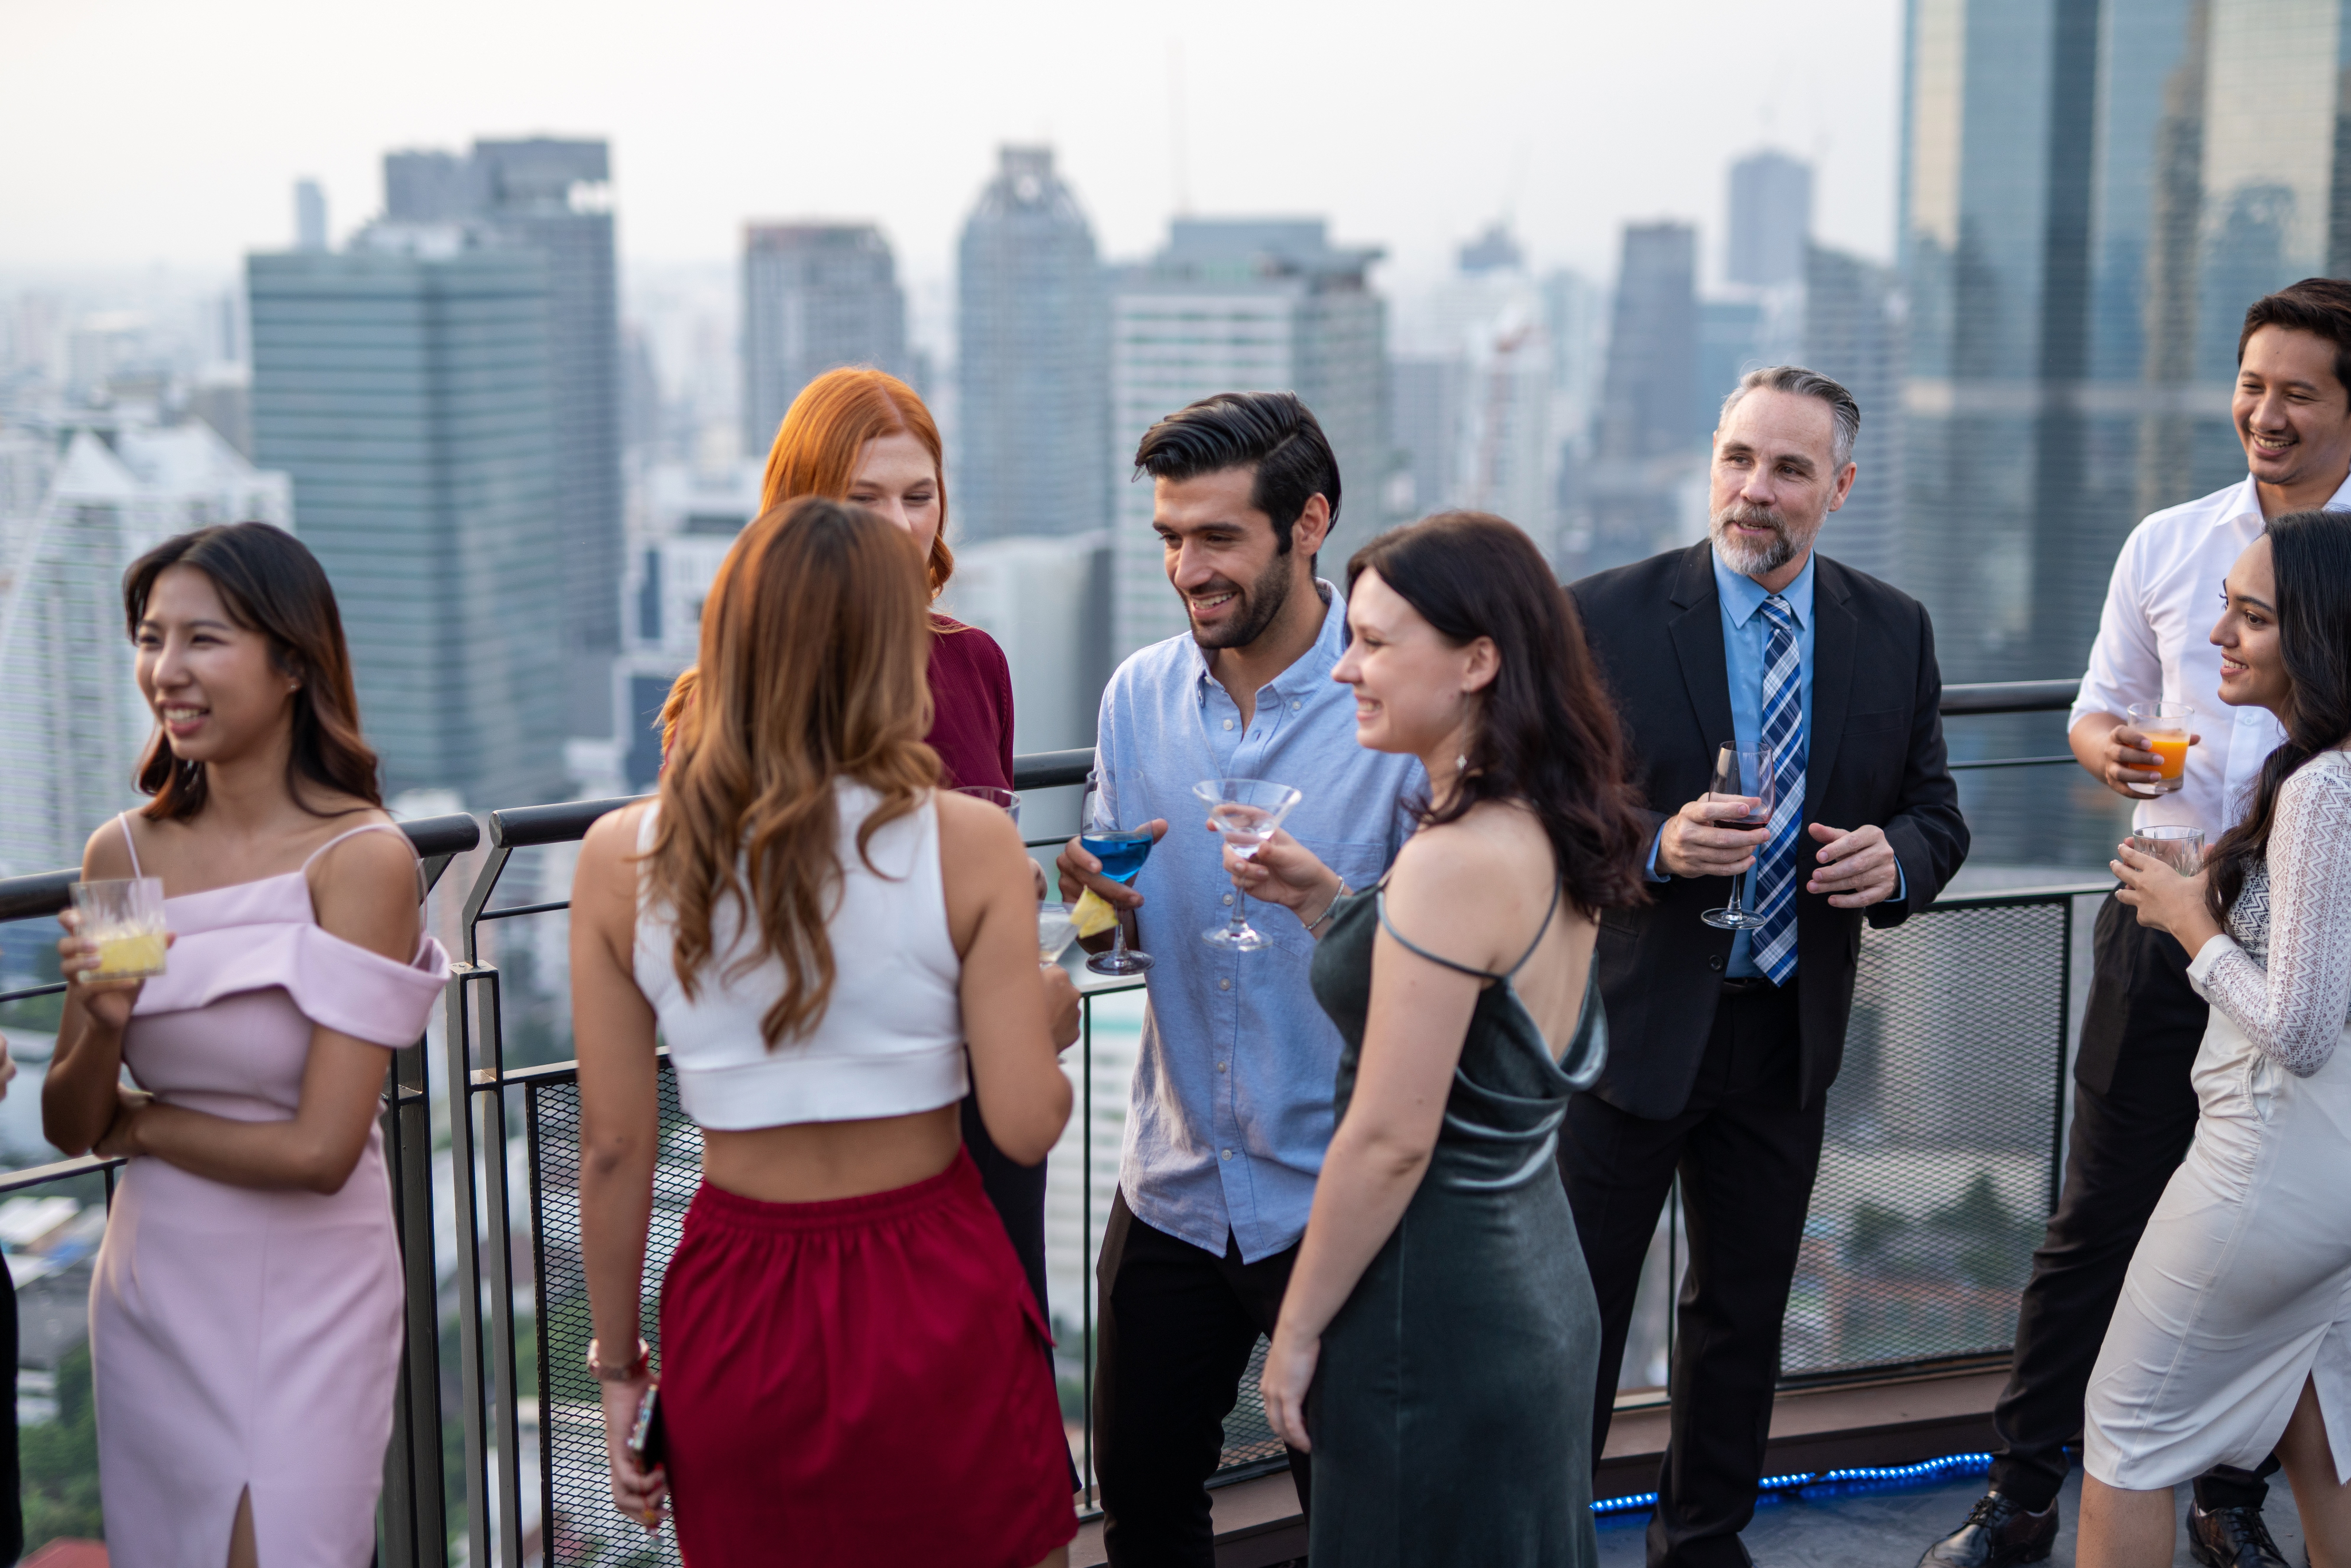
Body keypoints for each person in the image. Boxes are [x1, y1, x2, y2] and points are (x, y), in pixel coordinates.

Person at [1918, 278, 2351, 1568]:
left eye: (2296, 392)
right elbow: (2095, 706)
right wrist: (2102, 744)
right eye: (2248, 383)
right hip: (2160, 925)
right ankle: (2017, 1493)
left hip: (2295, 948)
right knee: (2098, 1211)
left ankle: (2221, 1502)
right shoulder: (2171, 541)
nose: (2261, 414)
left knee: (2278, 1266)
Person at [569, 496, 1078, 1562]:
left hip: (736, 1290)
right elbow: (1026, 1127)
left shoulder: (619, 857)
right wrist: (1047, 1011)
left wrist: (621, 1370)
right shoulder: (971, 842)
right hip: (933, 1280)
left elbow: (614, 1149)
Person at [1563, 366, 1970, 1567]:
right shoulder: (1603, 617)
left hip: (1787, 1024)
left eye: (1788, 469)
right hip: (1630, 1027)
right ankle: (1543, 1538)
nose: (1753, 489)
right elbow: (1539, 811)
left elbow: (1936, 815)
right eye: (1737, 458)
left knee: (1739, 1319)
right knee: (1574, 1318)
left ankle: (1702, 1544)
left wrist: (1889, 861)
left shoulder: (1891, 628)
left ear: (1837, 488)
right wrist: (1652, 844)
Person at [1231, 512, 1650, 1566]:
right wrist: (1332, 904)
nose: (1344, 674)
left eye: (1374, 644)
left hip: (1435, 1310)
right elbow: (1485, 1038)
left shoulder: (1455, 857)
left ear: (1478, 660)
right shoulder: (1546, 819)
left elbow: (1391, 1138)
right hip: (1537, 1288)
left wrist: (1294, 1333)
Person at [1054, 391, 1421, 1566]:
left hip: (1337, 1194)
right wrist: (1094, 903)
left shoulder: (1387, 709)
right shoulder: (1136, 697)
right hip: (1172, 1182)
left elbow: (1449, 972)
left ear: (1306, 524)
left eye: (1216, 538)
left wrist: (1325, 902)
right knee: (1144, 1506)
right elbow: (1110, 948)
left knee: (1364, 1521)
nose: (1185, 569)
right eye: (1169, 538)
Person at [44, 522, 451, 1568]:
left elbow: (321, 1154)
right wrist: (102, 1023)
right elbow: (75, 1124)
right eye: (149, 639)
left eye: (203, 641)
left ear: (292, 664)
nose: (164, 672)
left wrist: (145, 1122)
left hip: (315, 1295)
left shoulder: (359, 861)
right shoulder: (124, 851)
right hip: (156, 1292)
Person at [755, 366, 1080, 1350]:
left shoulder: (974, 661)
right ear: (802, 511)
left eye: (918, 496)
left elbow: (996, 889)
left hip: (989, 1114)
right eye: (861, 501)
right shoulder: (744, 695)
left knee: (996, 1408)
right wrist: (1023, 1011)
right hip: (844, 1132)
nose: (899, 527)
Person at [2076, 508, 2351, 1566]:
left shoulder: (2323, 791)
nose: (2218, 637)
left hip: (2268, 1167)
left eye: (2251, 617)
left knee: (2128, 1433)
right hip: (2325, 1180)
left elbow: (2302, 1027)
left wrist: (2191, 919)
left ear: (2319, 635)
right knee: (2320, 1429)